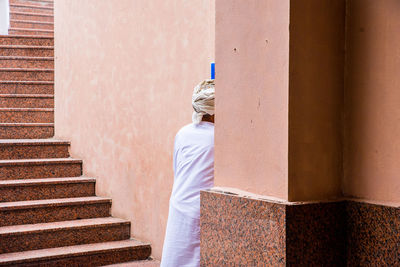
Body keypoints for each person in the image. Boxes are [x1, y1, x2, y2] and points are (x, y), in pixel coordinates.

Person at [160, 79, 215, 267]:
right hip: (199, 209)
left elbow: (178, 170)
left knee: (176, 258)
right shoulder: (219, 137)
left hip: (179, 203)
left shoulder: (182, 133)